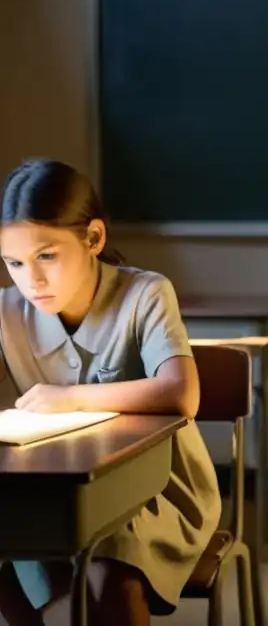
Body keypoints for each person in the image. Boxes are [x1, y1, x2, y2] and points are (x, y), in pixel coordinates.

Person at [0, 159, 221, 625]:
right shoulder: (7, 311)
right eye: (13, 263)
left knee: (109, 567)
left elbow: (183, 395)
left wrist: (70, 396)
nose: (31, 280)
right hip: (51, 488)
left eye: (47, 256)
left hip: (157, 488)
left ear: (93, 239)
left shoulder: (146, 294)